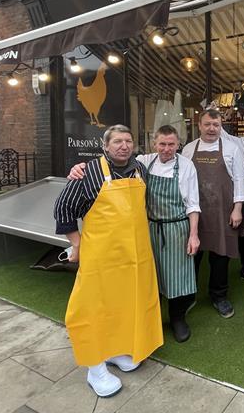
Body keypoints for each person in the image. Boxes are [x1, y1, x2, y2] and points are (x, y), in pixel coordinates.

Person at [54, 125, 163, 398]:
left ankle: (115, 351)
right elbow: (63, 208)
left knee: (125, 305)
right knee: (93, 309)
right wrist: (77, 244)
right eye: (117, 141)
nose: (124, 145)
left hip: (135, 259)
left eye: (128, 140)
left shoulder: (140, 169)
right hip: (100, 259)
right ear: (105, 145)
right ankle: (95, 367)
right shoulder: (88, 172)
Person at [67, 125, 201, 344]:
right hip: (146, 228)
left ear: (179, 145)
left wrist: (193, 234)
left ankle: (178, 319)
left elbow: (193, 204)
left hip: (176, 228)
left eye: (172, 144)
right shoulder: (143, 162)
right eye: (162, 144)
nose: (167, 149)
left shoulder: (186, 166)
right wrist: (79, 168)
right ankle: (152, 320)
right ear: (154, 144)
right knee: (148, 277)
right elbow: (112, 166)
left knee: (178, 278)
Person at [182, 109, 244, 319]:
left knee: (220, 256)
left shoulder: (232, 149)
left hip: (222, 212)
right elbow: (182, 181)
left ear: (221, 127)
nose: (212, 128)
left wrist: (238, 208)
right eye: (208, 124)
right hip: (195, 213)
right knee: (192, 257)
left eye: (216, 125)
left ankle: (219, 296)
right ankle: (188, 295)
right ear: (199, 125)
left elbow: (240, 179)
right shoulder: (189, 149)